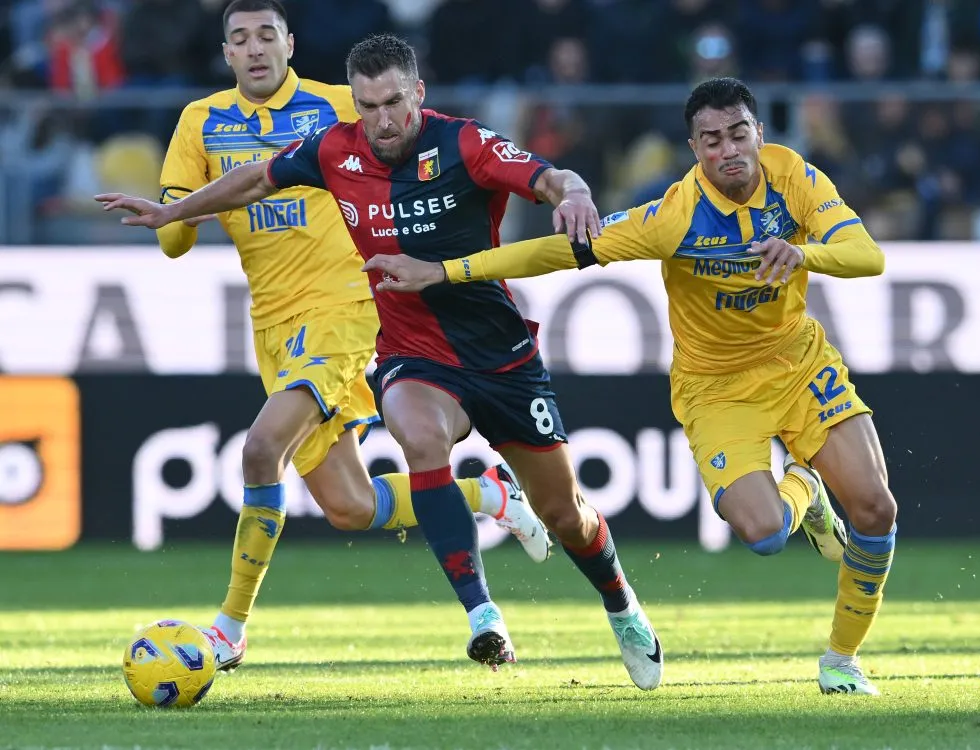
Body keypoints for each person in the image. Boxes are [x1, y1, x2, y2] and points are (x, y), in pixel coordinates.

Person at [96, 33, 664, 690]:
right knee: (418, 436)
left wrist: (574, 193)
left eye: (393, 102)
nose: (383, 120)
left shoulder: (464, 144)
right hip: (409, 352)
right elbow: (254, 179)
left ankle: (621, 605)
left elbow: (548, 177)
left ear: (417, 93)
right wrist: (173, 210)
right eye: (368, 106)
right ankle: (483, 615)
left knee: (565, 513)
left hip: (497, 352)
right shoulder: (336, 149)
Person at [364, 77, 898, 696]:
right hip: (717, 389)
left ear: (760, 134)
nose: (729, 150)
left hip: (800, 363)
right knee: (766, 535)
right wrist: (446, 271)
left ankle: (841, 661)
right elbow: (554, 253)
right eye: (712, 140)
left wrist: (806, 256)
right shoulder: (673, 216)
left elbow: (867, 255)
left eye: (739, 134)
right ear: (694, 149)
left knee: (877, 508)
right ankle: (806, 485)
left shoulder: (795, 177)